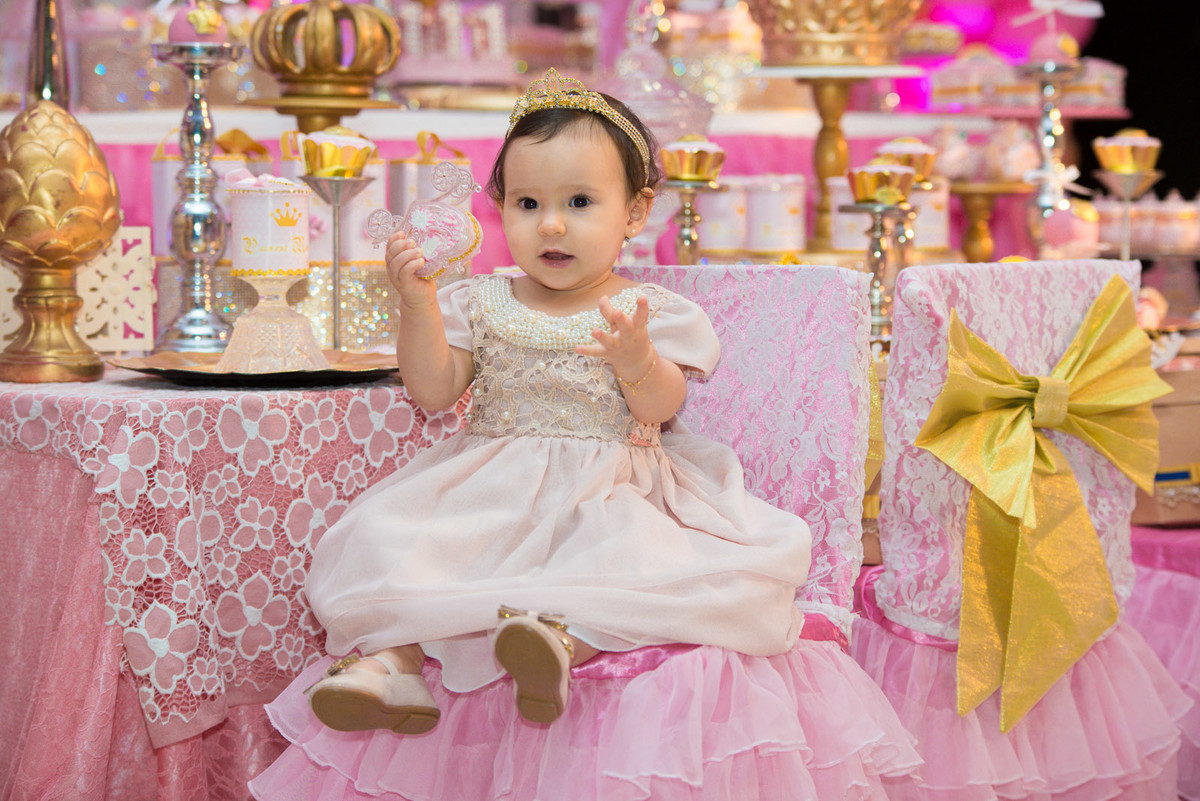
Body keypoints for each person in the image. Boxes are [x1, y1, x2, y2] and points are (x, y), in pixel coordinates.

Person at [300, 67, 812, 735]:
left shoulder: (648, 308)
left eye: (579, 203)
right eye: (528, 204)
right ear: (501, 206)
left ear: (635, 210)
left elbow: (661, 405)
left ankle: (556, 644)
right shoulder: (483, 299)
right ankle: (390, 666)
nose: (552, 227)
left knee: (618, 561)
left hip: (604, 486)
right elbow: (434, 389)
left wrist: (638, 361)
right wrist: (419, 307)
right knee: (397, 544)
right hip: (488, 486)